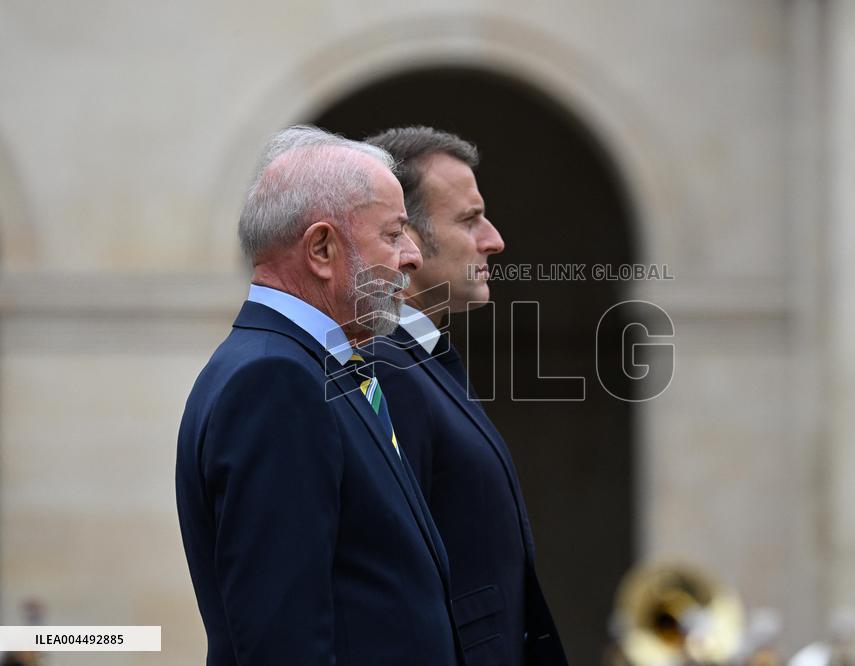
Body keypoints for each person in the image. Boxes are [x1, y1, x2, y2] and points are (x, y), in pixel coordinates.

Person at [175, 125, 461, 665]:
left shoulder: (311, 365)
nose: (413, 256)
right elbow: (282, 639)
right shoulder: (274, 382)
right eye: (395, 233)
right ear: (322, 249)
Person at [366, 126, 568, 666]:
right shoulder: (385, 368)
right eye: (469, 219)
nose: (494, 240)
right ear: (404, 238)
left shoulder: (420, 359)